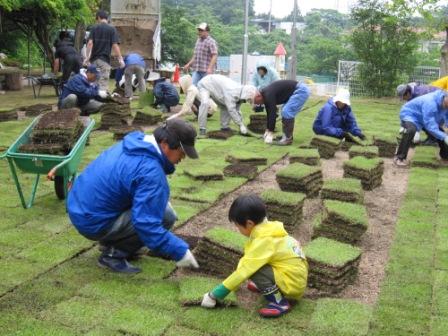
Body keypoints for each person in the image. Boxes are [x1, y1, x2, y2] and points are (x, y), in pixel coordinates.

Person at [67, 119, 200, 273]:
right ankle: (112, 255)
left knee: (159, 208)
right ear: (165, 143)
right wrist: (180, 252)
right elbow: (146, 224)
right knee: (166, 216)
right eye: (182, 152)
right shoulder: (150, 171)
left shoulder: (135, 144)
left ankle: (110, 242)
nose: (182, 158)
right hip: (92, 219)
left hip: (80, 206)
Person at [201, 194, 308, 318]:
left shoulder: (264, 240)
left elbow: (244, 270)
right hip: (295, 277)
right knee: (255, 265)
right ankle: (269, 286)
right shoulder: (271, 229)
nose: (238, 230)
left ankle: (279, 302)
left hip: (292, 283)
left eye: (238, 226)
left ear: (250, 223)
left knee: (254, 270)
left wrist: (214, 295)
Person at [394, 90, 448, 167]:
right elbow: (430, 126)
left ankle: (446, 157)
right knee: (411, 130)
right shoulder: (430, 103)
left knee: (440, 133)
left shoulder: (445, 103)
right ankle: (399, 158)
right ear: (445, 98)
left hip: (424, 117)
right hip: (410, 115)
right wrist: (445, 136)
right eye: (446, 105)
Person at [253, 80, 310, 145]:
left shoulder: (268, 94)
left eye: (254, 101)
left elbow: (272, 113)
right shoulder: (265, 94)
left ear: (258, 96)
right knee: (284, 110)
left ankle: (288, 139)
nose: (255, 104)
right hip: (297, 90)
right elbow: (269, 113)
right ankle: (285, 136)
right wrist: (267, 130)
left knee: (286, 111)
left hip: (301, 91)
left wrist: (271, 132)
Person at [85, 10, 124, 91]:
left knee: (93, 81)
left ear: (99, 17)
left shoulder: (94, 28)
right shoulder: (112, 29)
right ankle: (101, 101)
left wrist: (87, 57)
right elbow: (115, 45)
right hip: (104, 61)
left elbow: (90, 43)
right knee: (103, 82)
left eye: (97, 19)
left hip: (94, 60)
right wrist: (120, 59)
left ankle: (92, 100)